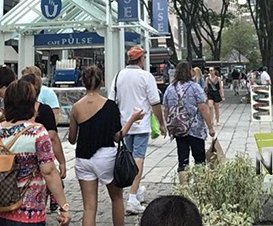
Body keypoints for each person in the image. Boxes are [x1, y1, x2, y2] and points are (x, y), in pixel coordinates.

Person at [0, 79, 71, 226]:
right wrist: (64, 207)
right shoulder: (37, 132)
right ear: (31, 104)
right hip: (29, 212)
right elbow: (49, 172)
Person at [69, 65, 144, 226]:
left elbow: (72, 139)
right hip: (106, 156)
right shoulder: (110, 106)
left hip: (83, 159)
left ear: (83, 82)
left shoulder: (76, 108)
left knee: (89, 207)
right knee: (116, 199)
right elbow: (118, 136)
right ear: (101, 82)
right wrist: (132, 118)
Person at [109, 46, 167, 215]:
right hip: (141, 124)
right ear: (141, 59)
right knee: (138, 158)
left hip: (124, 124)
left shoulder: (119, 76)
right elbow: (155, 102)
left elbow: (112, 101)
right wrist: (161, 123)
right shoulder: (146, 76)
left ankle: (137, 187)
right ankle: (132, 198)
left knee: (128, 156)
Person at [20, 73, 67, 213]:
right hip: (40, 159)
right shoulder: (44, 110)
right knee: (45, 176)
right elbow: (52, 137)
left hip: (17, 162)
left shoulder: (13, 110)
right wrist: (62, 161)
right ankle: (52, 198)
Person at [163, 61, 215, 183]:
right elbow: (203, 108)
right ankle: (200, 186)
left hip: (178, 128)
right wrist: (210, 127)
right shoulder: (195, 87)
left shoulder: (170, 88)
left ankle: (184, 187)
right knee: (199, 158)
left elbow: (166, 109)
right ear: (189, 71)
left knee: (183, 159)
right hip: (195, 128)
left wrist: (168, 124)